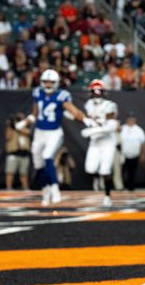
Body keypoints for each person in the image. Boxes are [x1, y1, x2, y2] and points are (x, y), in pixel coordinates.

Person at [15, 69, 91, 206]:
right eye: (46, 82)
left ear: (56, 83)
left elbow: (74, 111)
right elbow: (35, 114)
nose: (48, 85)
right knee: (38, 164)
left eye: (51, 82)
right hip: (39, 132)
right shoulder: (37, 92)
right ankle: (46, 190)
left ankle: (55, 190)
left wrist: (85, 119)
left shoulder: (61, 96)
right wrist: (24, 122)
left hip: (54, 133)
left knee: (47, 156)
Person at [81, 79, 119, 207]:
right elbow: (90, 120)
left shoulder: (110, 105)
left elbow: (111, 126)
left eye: (99, 91)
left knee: (105, 170)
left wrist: (92, 130)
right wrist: (89, 123)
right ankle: (97, 180)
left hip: (107, 142)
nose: (97, 94)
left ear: (103, 92)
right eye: (94, 91)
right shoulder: (88, 105)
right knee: (90, 169)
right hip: (95, 141)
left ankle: (107, 196)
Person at [120, 113, 145, 191]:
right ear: (126, 119)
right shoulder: (122, 128)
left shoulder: (139, 130)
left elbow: (144, 143)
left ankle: (130, 188)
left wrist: (143, 155)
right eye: (129, 118)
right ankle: (120, 188)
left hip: (135, 155)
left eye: (132, 118)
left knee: (132, 173)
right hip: (123, 155)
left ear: (135, 119)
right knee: (121, 172)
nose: (130, 120)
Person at [5, 113, 31, 190]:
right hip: (13, 153)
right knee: (10, 172)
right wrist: (11, 126)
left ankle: (25, 188)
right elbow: (8, 137)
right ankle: (9, 188)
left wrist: (18, 126)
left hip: (24, 153)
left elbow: (28, 132)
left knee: (24, 173)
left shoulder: (25, 127)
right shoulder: (11, 128)